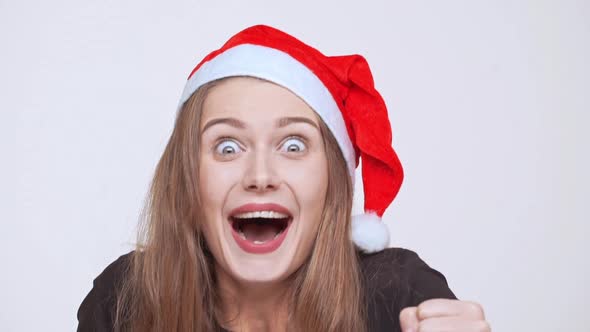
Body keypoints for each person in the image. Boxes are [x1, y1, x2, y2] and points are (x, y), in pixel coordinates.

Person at [77, 25, 490, 332]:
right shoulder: (124, 301)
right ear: (187, 179)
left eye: (293, 145)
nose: (260, 176)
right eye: (227, 147)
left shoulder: (398, 294)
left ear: (333, 180)